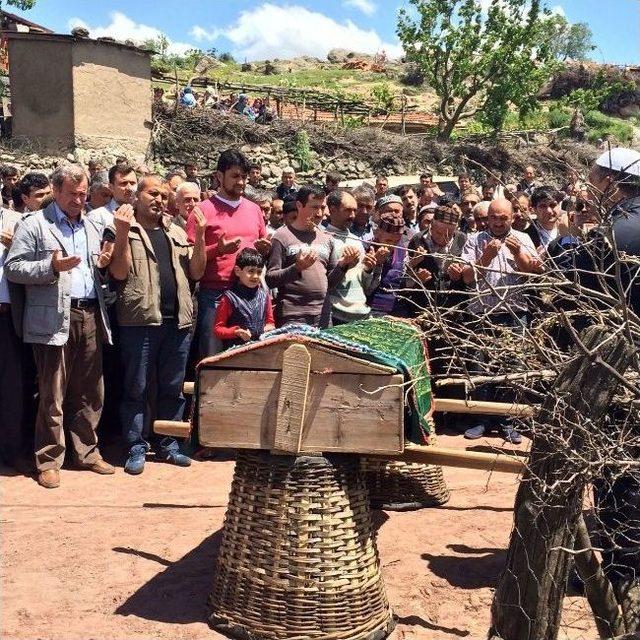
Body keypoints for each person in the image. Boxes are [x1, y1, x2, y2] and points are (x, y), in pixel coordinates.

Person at [5, 165, 117, 488]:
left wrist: (104, 266)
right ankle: (49, 459)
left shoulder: (91, 225)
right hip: (54, 317)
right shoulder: (36, 224)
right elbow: (14, 267)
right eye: (73, 194)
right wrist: (50, 266)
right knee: (53, 392)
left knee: (90, 390)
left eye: (83, 195)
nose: (79, 200)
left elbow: (97, 267)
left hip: (91, 314)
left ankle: (86, 452)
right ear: (55, 190)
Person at [108, 175, 207, 475]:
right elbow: (119, 273)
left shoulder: (176, 231)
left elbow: (197, 272)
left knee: (173, 388)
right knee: (136, 387)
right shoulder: (122, 228)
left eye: (164, 196)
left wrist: (200, 236)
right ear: (137, 197)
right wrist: (123, 234)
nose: (159, 200)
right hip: (139, 321)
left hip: (177, 324)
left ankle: (169, 444)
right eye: (153, 194)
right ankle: (136, 446)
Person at [460, 199, 541, 444]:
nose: (497, 222)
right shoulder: (474, 240)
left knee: (512, 368)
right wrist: (486, 257)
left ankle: (508, 422)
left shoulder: (523, 239)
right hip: (482, 313)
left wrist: (518, 254)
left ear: (513, 217)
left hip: (515, 313)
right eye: (493, 217)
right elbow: (466, 278)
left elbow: (534, 273)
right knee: (480, 367)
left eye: (502, 217)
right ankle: (481, 420)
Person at [186, 149, 270, 357]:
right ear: (219, 176)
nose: (241, 182)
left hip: (250, 296)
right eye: (235, 176)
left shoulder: (254, 210)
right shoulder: (202, 211)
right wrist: (218, 250)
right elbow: (189, 261)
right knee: (212, 360)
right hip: (215, 295)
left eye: (244, 176)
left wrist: (263, 250)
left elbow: (261, 248)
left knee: (248, 359)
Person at [266, 185, 359, 328]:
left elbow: (331, 283)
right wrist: (296, 268)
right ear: (299, 205)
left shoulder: (327, 239)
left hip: (323, 315)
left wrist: (343, 265)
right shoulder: (281, 237)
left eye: (322, 207)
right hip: (293, 317)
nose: (319, 213)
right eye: (314, 207)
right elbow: (271, 280)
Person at [0, 204, 27, 471]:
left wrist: (14, 246)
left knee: (11, 388)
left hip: (9, 318)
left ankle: (11, 451)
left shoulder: (18, 222)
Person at [405, 205, 467, 314]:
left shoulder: (462, 239)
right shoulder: (417, 240)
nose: (443, 238)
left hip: (452, 308)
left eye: (449, 234)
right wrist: (415, 269)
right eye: (439, 233)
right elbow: (405, 278)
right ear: (431, 225)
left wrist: (458, 274)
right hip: (422, 307)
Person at [325, 189, 374, 324]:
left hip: (360, 314)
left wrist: (369, 269)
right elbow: (323, 284)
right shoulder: (324, 239)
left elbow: (365, 285)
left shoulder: (356, 241)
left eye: (354, 210)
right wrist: (343, 265)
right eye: (347, 210)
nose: (353, 215)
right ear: (332, 210)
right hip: (336, 316)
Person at [214, 248, 275, 348]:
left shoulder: (264, 296)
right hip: (235, 350)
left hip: (260, 348)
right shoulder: (229, 297)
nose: (255, 276)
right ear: (238, 271)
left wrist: (269, 327)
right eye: (251, 271)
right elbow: (218, 329)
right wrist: (235, 332)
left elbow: (270, 322)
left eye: (259, 272)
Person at [363, 199, 409, 317]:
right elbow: (366, 289)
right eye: (388, 240)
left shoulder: (402, 250)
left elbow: (403, 285)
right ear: (377, 233)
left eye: (396, 241)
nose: (391, 245)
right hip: (370, 310)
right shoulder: (366, 248)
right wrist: (375, 265)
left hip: (395, 311)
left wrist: (412, 267)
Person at [88, 163, 137, 229]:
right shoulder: (97, 217)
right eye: (123, 183)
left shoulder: (143, 214)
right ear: (111, 187)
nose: (129, 188)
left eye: (132, 183)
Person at [526, 187, 563, 252]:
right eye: (543, 206)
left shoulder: (567, 230)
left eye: (552, 205)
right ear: (534, 209)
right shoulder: (526, 237)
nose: (549, 211)